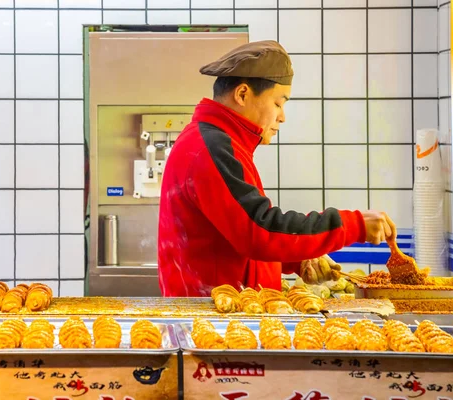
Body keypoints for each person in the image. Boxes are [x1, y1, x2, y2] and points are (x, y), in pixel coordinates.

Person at [157, 40, 396, 297]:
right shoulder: (211, 147)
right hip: (214, 321)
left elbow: (236, 236)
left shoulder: (218, 142)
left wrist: (298, 259)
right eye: (278, 104)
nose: (282, 117)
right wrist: (354, 225)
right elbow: (259, 231)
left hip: (229, 313)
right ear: (243, 94)